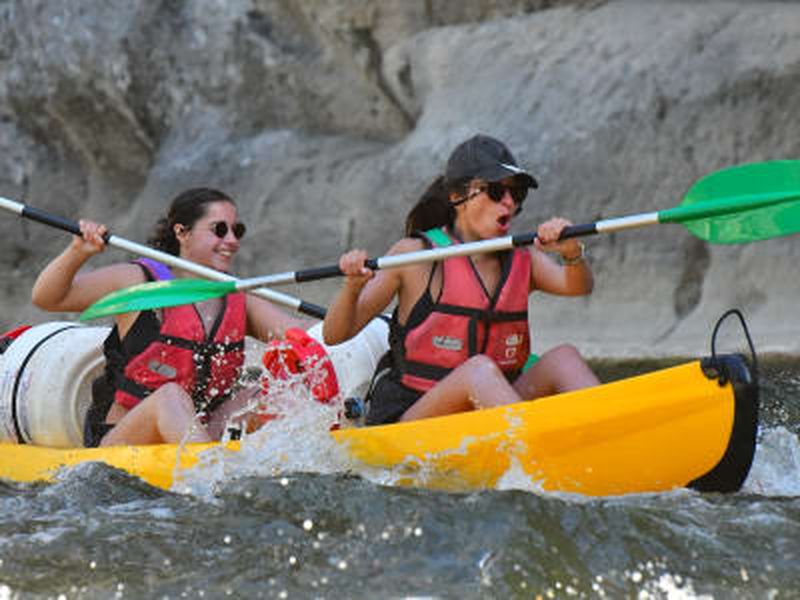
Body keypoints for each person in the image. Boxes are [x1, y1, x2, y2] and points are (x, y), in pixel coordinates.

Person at [323, 134, 599, 425]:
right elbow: (335, 335)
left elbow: (578, 286)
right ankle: (542, 448)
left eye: (517, 195)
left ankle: (612, 432)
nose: (508, 203)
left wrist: (572, 252)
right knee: (478, 370)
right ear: (457, 198)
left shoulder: (522, 258)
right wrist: (352, 289)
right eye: (495, 191)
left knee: (564, 358)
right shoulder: (415, 257)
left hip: (492, 410)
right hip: (415, 416)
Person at [32, 187, 310, 447]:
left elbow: (306, 336)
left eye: (237, 231)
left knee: (274, 392)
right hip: (123, 440)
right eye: (220, 230)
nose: (232, 240)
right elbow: (48, 298)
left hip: (199, 432)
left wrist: (353, 291)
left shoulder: (237, 295)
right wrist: (77, 252)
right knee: (169, 396)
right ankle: (212, 476)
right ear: (182, 232)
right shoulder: (138, 281)